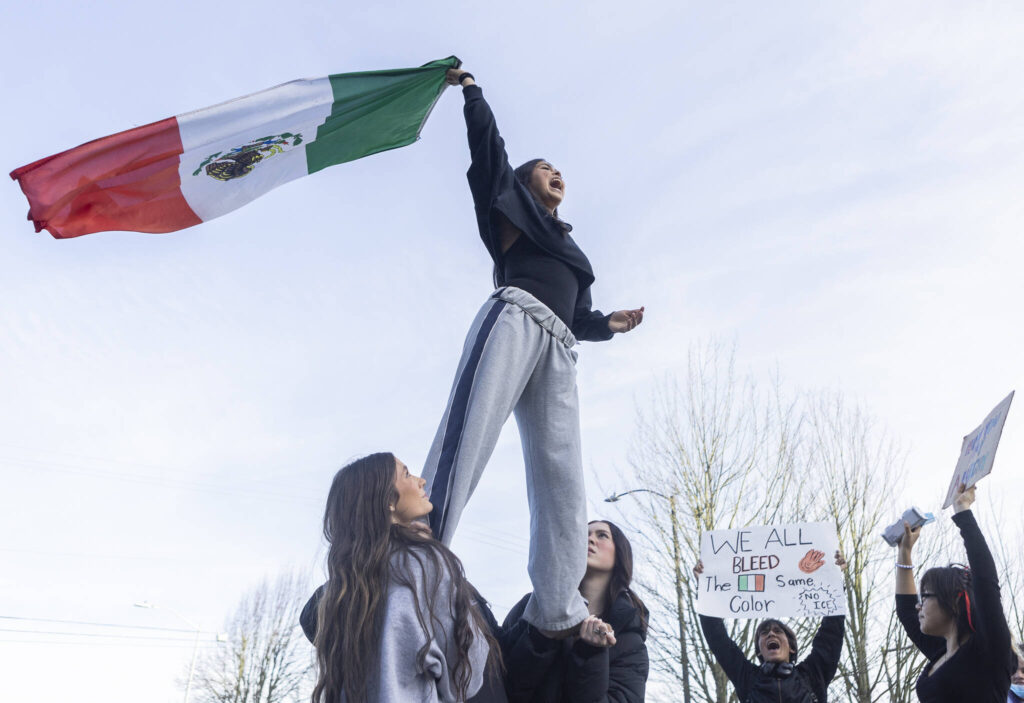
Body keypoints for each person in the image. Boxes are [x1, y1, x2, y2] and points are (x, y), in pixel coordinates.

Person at [422, 66, 645, 636]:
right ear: (524, 183)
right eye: (546, 167)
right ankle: (419, 549)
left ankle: (559, 608)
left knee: (561, 475)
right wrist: (473, 95)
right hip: (515, 318)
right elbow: (489, 155)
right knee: (470, 433)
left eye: (560, 168)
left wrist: (608, 324)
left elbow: (577, 315)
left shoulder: (572, 249)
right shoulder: (510, 213)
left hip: (561, 349)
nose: (558, 172)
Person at [305, 452, 503, 703]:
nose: (421, 481)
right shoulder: (427, 565)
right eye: (407, 474)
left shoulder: (342, 597)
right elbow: (466, 675)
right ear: (388, 500)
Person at [499, 520, 649, 702]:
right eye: (583, 534)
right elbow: (499, 681)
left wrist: (591, 654)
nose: (589, 539)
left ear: (620, 555)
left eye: (602, 535)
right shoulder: (531, 607)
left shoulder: (631, 644)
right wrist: (542, 637)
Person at [895, 483, 1016, 703]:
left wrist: (963, 511)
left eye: (925, 597)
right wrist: (904, 553)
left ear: (953, 600)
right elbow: (905, 611)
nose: (918, 605)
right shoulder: (941, 652)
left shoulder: (987, 650)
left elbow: (986, 581)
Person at [694, 552, 847, 702]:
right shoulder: (747, 679)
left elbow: (830, 635)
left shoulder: (812, 675)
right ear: (759, 650)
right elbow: (718, 640)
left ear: (791, 647)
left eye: (778, 631)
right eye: (764, 632)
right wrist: (705, 590)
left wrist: (835, 581)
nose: (771, 634)